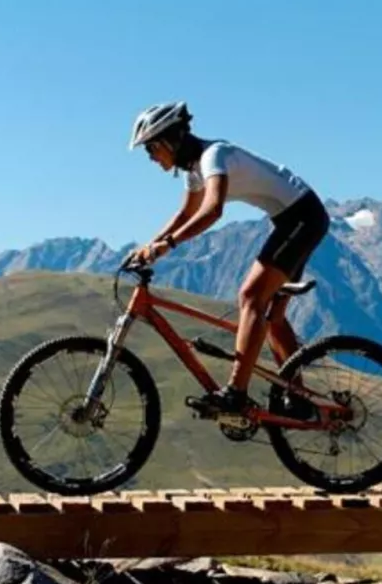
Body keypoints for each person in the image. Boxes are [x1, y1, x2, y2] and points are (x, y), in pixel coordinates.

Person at [126, 101, 330, 416]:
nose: (151, 157)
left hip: (302, 217)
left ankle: (236, 392)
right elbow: (185, 214)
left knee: (250, 296)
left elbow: (212, 210)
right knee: (272, 317)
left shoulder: (213, 156)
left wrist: (166, 246)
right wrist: (148, 247)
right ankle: (299, 396)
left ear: (170, 139)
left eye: (151, 148)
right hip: (293, 219)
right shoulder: (194, 170)